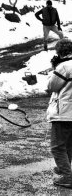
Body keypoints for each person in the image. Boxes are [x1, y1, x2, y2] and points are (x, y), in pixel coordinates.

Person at [47, 38, 72, 188]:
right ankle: (66, 168)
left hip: (64, 111)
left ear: (59, 52)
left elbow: (52, 86)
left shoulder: (64, 66)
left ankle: (67, 176)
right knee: (68, 144)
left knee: (57, 146)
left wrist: (55, 68)